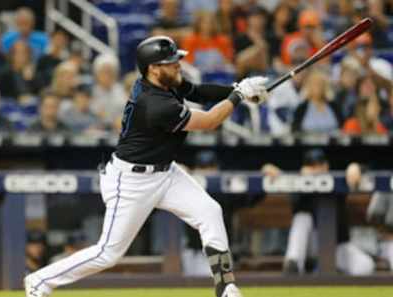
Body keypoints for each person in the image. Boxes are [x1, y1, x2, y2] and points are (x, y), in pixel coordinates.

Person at [24, 35, 268, 297]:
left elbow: (197, 91)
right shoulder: (154, 104)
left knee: (209, 211)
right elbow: (209, 120)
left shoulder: (163, 83)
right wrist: (238, 96)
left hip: (166, 172)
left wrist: (237, 89)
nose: (178, 65)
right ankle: (40, 281)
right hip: (131, 181)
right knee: (108, 253)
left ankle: (226, 287)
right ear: (153, 68)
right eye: (171, 62)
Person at [262, 149, 375, 275]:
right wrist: (271, 171)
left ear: (326, 166)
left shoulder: (337, 181)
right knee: (302, 217)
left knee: (365, 266)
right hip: (308, 247)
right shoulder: (299, 184)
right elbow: (274, 174)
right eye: (311, 166)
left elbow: (366, 171)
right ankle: (293, 264)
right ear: (304, 168)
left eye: (319, 166)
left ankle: (334, 275)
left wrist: (356, 167)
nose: (316, 170)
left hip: (335, 246)